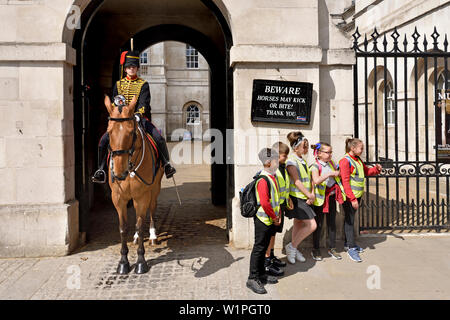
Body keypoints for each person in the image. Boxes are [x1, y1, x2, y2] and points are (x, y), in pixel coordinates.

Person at [92, 50, 176, 183]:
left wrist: (137, 115)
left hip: (139, 119)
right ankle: (101, 169)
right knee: (103, 141)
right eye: (129, 67)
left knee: (159, 138)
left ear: (137, 68)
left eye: (134, 67)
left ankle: (166, 165)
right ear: (125, 69)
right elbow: (115, 102)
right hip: (121, 120)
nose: (131, 69)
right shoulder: (118, 85)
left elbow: (144, 103)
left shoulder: (143, 84)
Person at [339, 138, 382, 262]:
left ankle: (349, 244)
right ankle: (351, 248)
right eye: (361, 148)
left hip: (357, 195)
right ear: (352, 148)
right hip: (349, 197)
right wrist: (352, 199)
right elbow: (345, 182)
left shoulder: (357, 160)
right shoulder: (345, 161)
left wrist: (376, 169)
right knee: (350, 221)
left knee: (350, 220)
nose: (362, 150)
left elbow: (366, 171)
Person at [246, 148, 282, 295]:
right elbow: (265, 203)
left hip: (269, 219)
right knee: (259, 248)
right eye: (276, 159)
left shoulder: (271, 176)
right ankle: (252, 278)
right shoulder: (263, 179)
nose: (278, 162)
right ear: (268, 162)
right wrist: (274, 217)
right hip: (263, 219)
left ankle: (261, 274)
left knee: (264, 246)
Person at [284, 131, 317, 264]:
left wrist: (311, 194)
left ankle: (294, 247)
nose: (306, 148)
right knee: (312, 225)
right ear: (295, 147)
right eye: (304, 146)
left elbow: (308, 180)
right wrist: (309, 195)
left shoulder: (302, 160)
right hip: (297, 197)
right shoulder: (291, 161)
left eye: (307, 145)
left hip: (305, 197)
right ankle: (291, 247)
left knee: (298, 223)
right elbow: (297, 182)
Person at [309, 142, 346, 261]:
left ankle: (332, 247)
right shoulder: (315, 166)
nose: (330, 154)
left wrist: (338, 173)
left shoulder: (331, 163)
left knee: (332, 224)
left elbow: (337, 174)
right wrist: (329, 173)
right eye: (327, 152)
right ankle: (316, 249)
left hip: (331, 197)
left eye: (331, 152)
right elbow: (316, 180)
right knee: (318, 225)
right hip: (320, 199)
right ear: (319, 154)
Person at [262, 142, 293, 276]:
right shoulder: (272, 171)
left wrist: (288, 200)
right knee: (269, 235)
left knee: (274, 235)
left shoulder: (283, 167)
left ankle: (272, 256)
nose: (285, 158)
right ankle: (267, 261)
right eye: (283, 156)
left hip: (280, 205)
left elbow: (285, 187)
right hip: (273, 208)